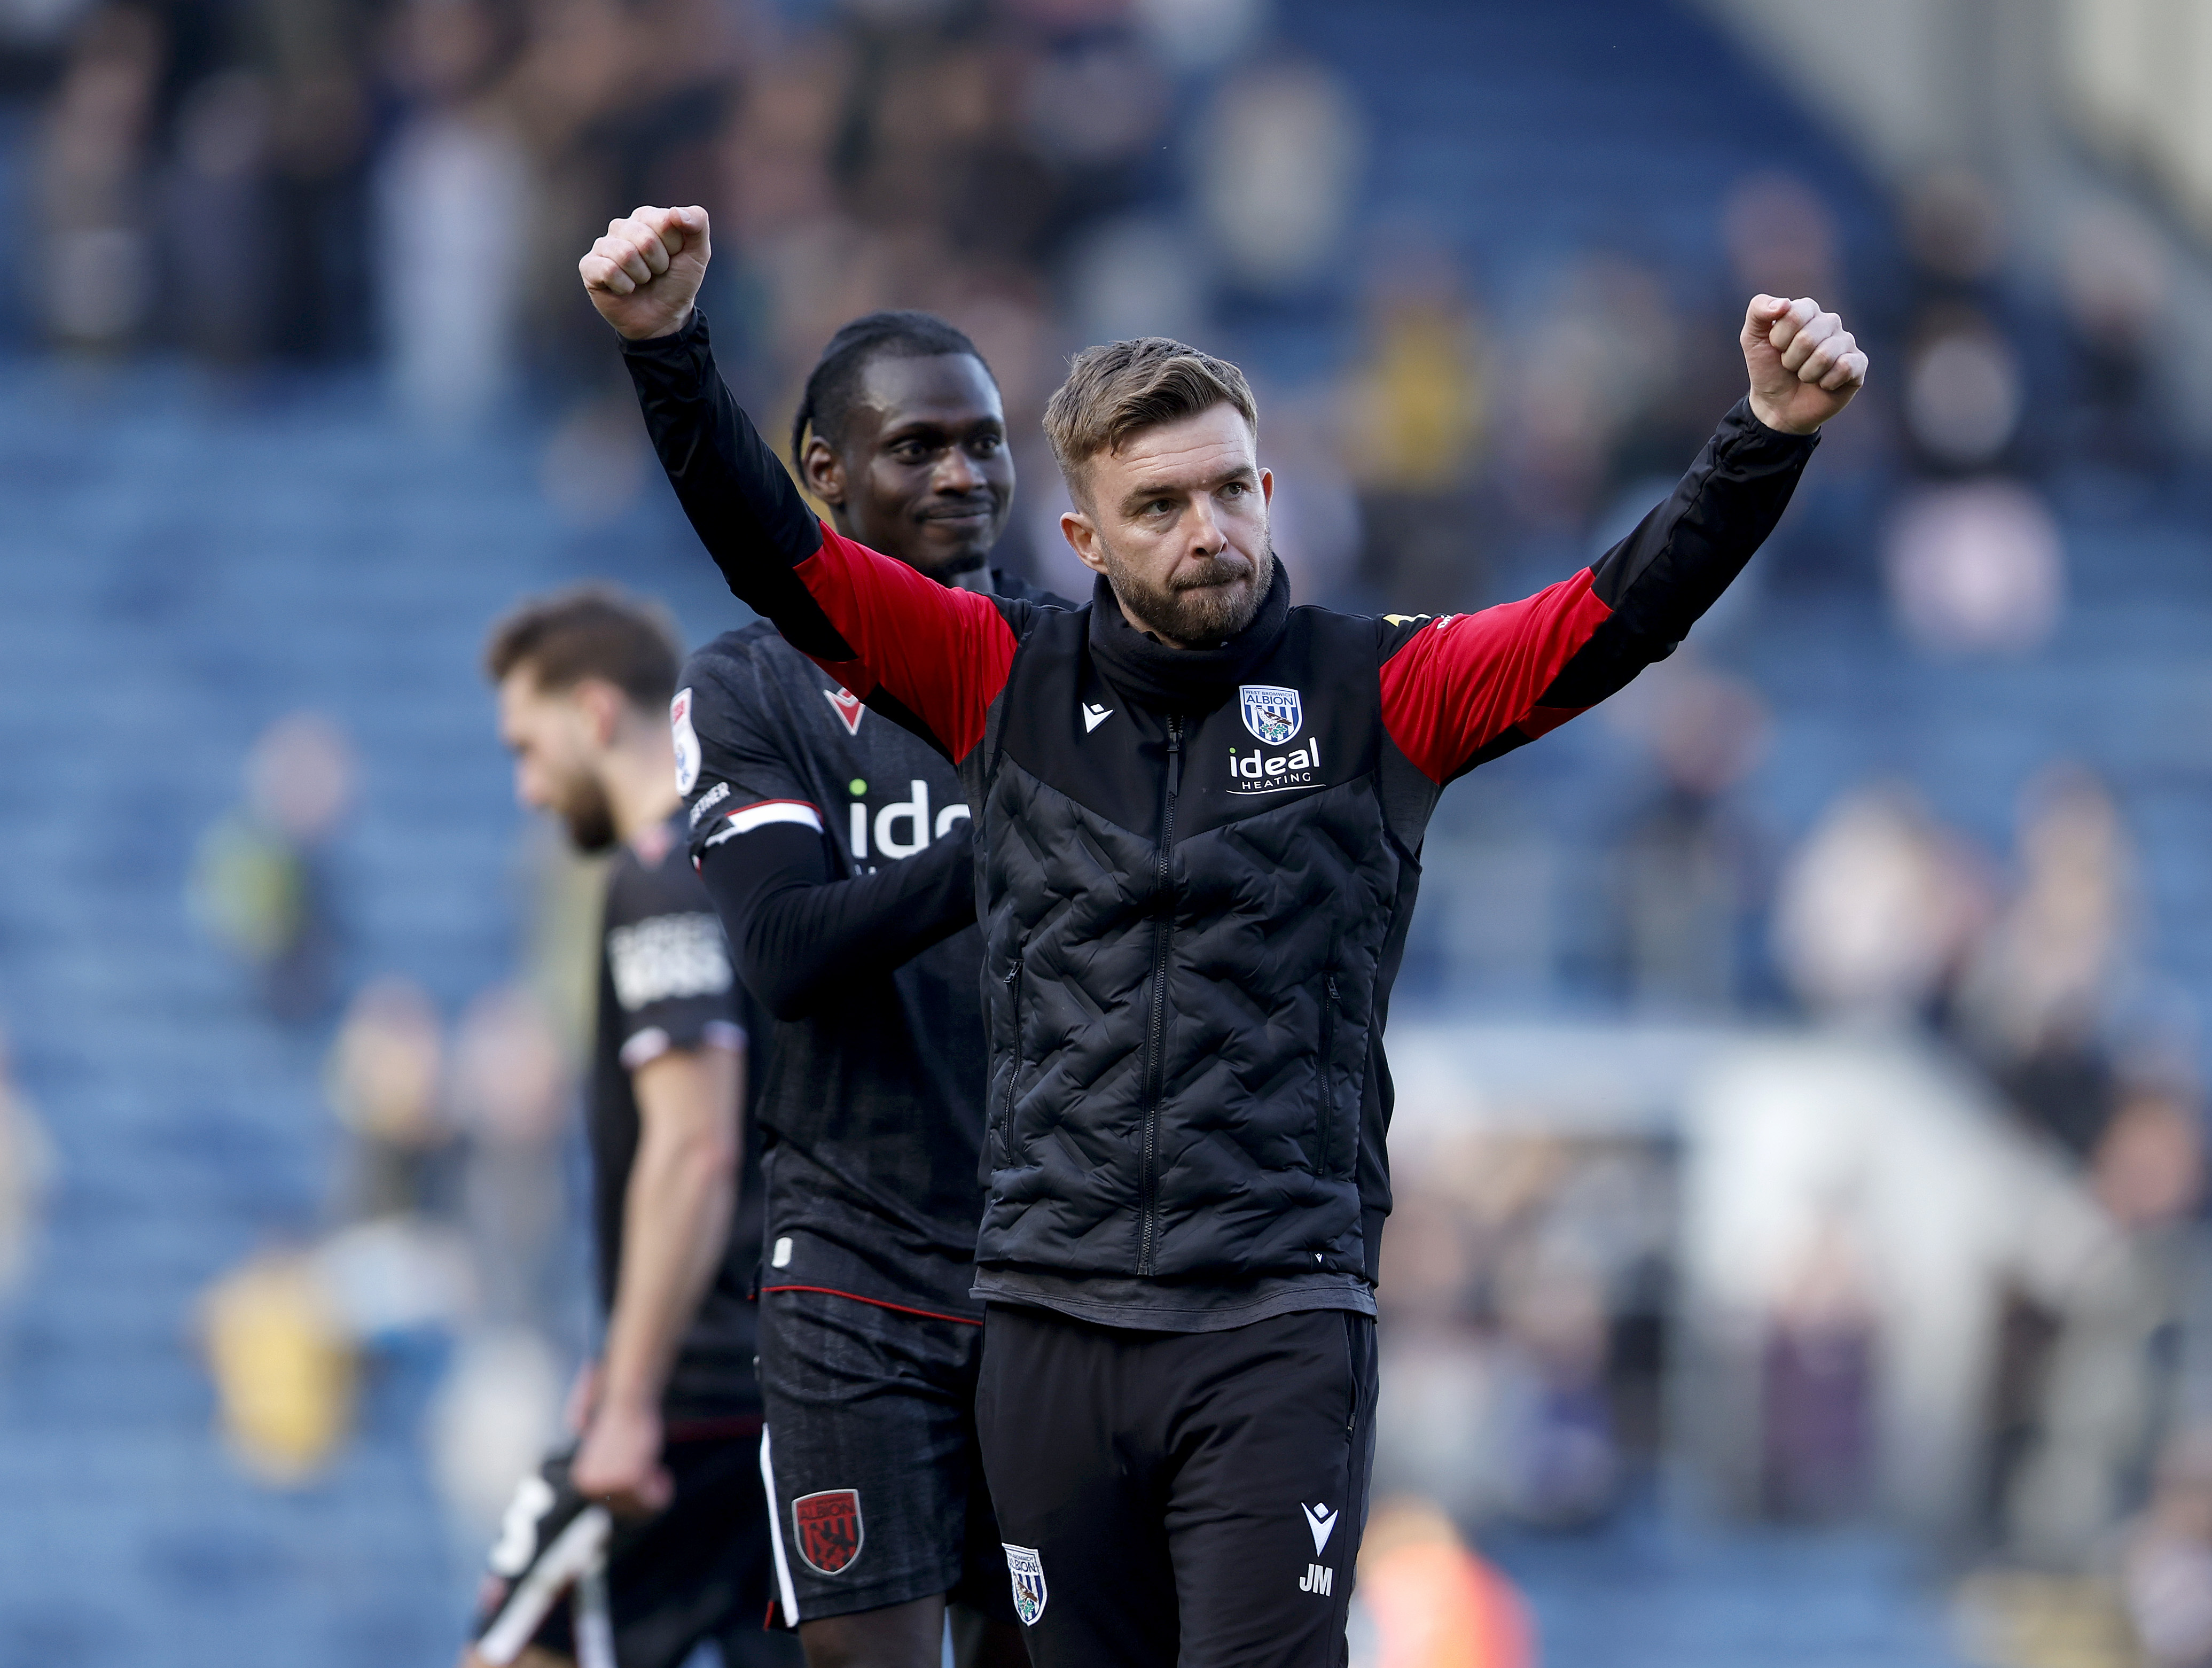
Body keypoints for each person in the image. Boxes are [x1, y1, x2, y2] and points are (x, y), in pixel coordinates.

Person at [581, 203, 1865, 1667]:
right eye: (1162, 506)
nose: (1211, 532)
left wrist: (1764, 433)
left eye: (1234, 490)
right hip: (1047, 1328)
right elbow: (777, 559)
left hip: (1275, 1318)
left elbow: (1613, 616)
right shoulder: (999, 675)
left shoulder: (1381, 691)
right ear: (1082, 538)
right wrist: (666, 349)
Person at [675, 310, 1055, 1668]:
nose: (965, 475)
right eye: (920, 447)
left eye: (986, 444)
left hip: (1060, 1279)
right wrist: (1006, 839)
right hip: (856, 1272)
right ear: (824, 471)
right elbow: (782, 951)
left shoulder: (1081, 672)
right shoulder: (750, 685)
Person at [467, 586, 798, 1668]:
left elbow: (695, 1147)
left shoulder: (664, 877)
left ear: (595, 714)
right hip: (796, 1379)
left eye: (529, 746)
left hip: (701, 1388)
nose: (525, 787)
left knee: (518, 1646)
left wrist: (629, 1391)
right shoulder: (764, 856)